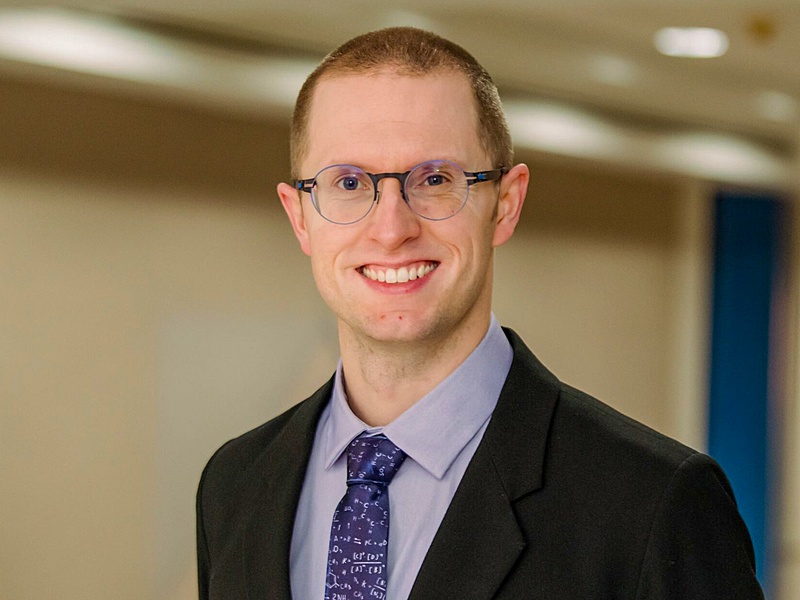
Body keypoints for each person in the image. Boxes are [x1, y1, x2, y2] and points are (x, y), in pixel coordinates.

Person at [196, 27, 764, 600]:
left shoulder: (652, 503)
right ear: (300, 218)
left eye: (435, 180)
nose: (392, 229)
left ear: (506, 204)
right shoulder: (236, 483)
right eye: (348, 182)